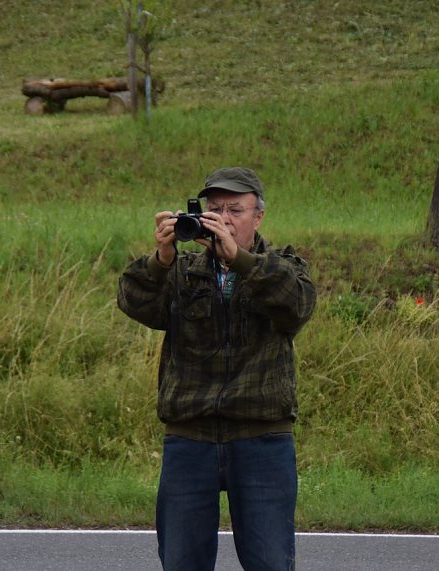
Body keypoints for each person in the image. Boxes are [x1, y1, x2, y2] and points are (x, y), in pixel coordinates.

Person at [117, 167, 317, 571]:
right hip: (190, 439)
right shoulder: (182, 271)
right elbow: (133, 301)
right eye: (214, 209)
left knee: (271, 563)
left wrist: (240, 260)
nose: (223, 218)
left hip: (262, 439)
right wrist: (162, 257)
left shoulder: (282, 266)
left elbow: (295, 306)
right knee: (181, 562)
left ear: (258, 216)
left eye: (235, 210)